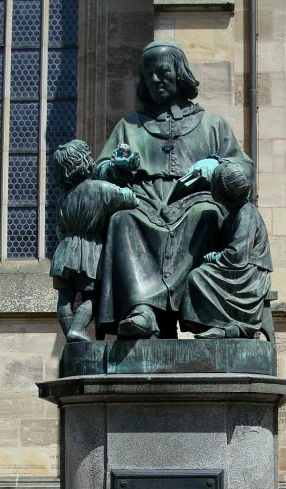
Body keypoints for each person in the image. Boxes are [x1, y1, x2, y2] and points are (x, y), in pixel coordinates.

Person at [95, 40, 253, 339]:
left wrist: (215, 167)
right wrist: (117, 167)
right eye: (149, 74)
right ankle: (142, 310)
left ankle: (205, 316)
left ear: (180, 74)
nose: (155, 79)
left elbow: (243, 171)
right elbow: (98, 174)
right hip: (144, 204)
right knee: (122, 220)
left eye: (163, 72)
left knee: (206, 214)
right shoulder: (129, 126)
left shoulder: (212, 125)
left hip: (195, 203)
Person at [50, 140, 137, 341]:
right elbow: (131, 199)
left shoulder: (63, 198)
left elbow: (60, 229)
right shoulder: (99, 188)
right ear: (84, 162)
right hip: (87, 249)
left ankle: (69, 332)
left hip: (64, 251)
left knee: (65, 297)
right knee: (92, 296)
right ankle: (78, 329)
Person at [180, 161, 273, 339]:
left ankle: (226, 325)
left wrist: (217, 257)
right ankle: (223, 326)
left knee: (197, 277)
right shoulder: (233, 214)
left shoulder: (246, 213)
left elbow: (237, 254)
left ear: (222, 193)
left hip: (250, 274)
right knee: (199, 275)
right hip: (239, 270)